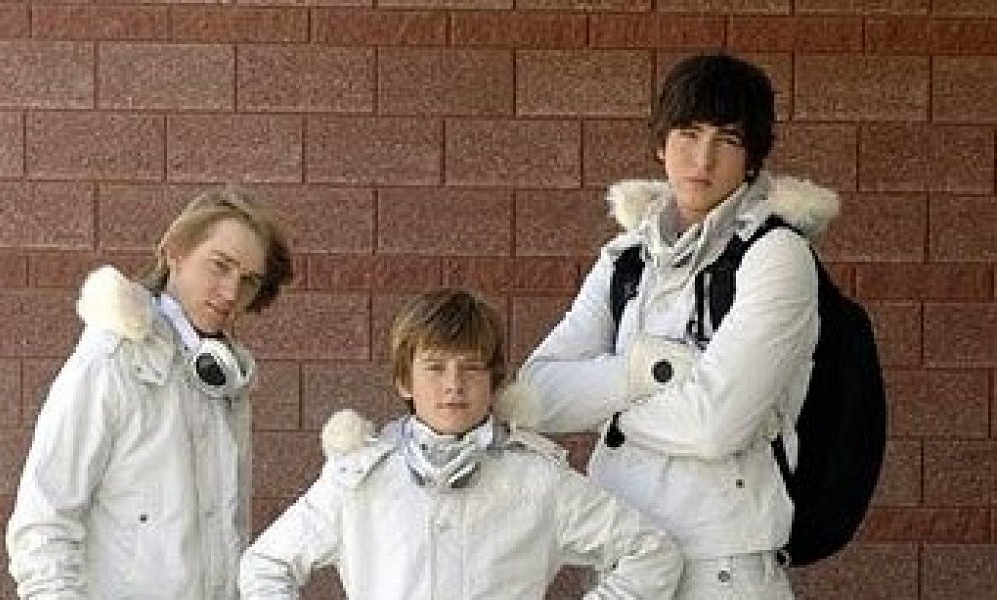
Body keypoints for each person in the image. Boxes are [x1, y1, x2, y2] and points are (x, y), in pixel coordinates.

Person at [511, 53, 839, 598]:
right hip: (622, 562)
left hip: (721, 571)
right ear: (661, 143)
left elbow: (714, 426)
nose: (702, 158)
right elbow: (535, 394)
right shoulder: (627, 259)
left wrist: (606, 413)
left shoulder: (776, 256)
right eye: (688, 134)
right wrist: (649, 371)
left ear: (752, 158)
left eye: (727, 140)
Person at [239, 288, 684, 599]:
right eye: (435, 368)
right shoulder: (358, 478)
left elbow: (651, 553)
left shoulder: (537, 479)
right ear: (404, 380)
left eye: (470, 368)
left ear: (494, 380)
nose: (454, 385)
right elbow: (266, 565)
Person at [6, 187, 295, 599]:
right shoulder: (109, 363)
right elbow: (42, 527)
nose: (231, 292)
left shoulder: (225, 380)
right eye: (220, 266)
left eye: (248, 280)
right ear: (175, 252)